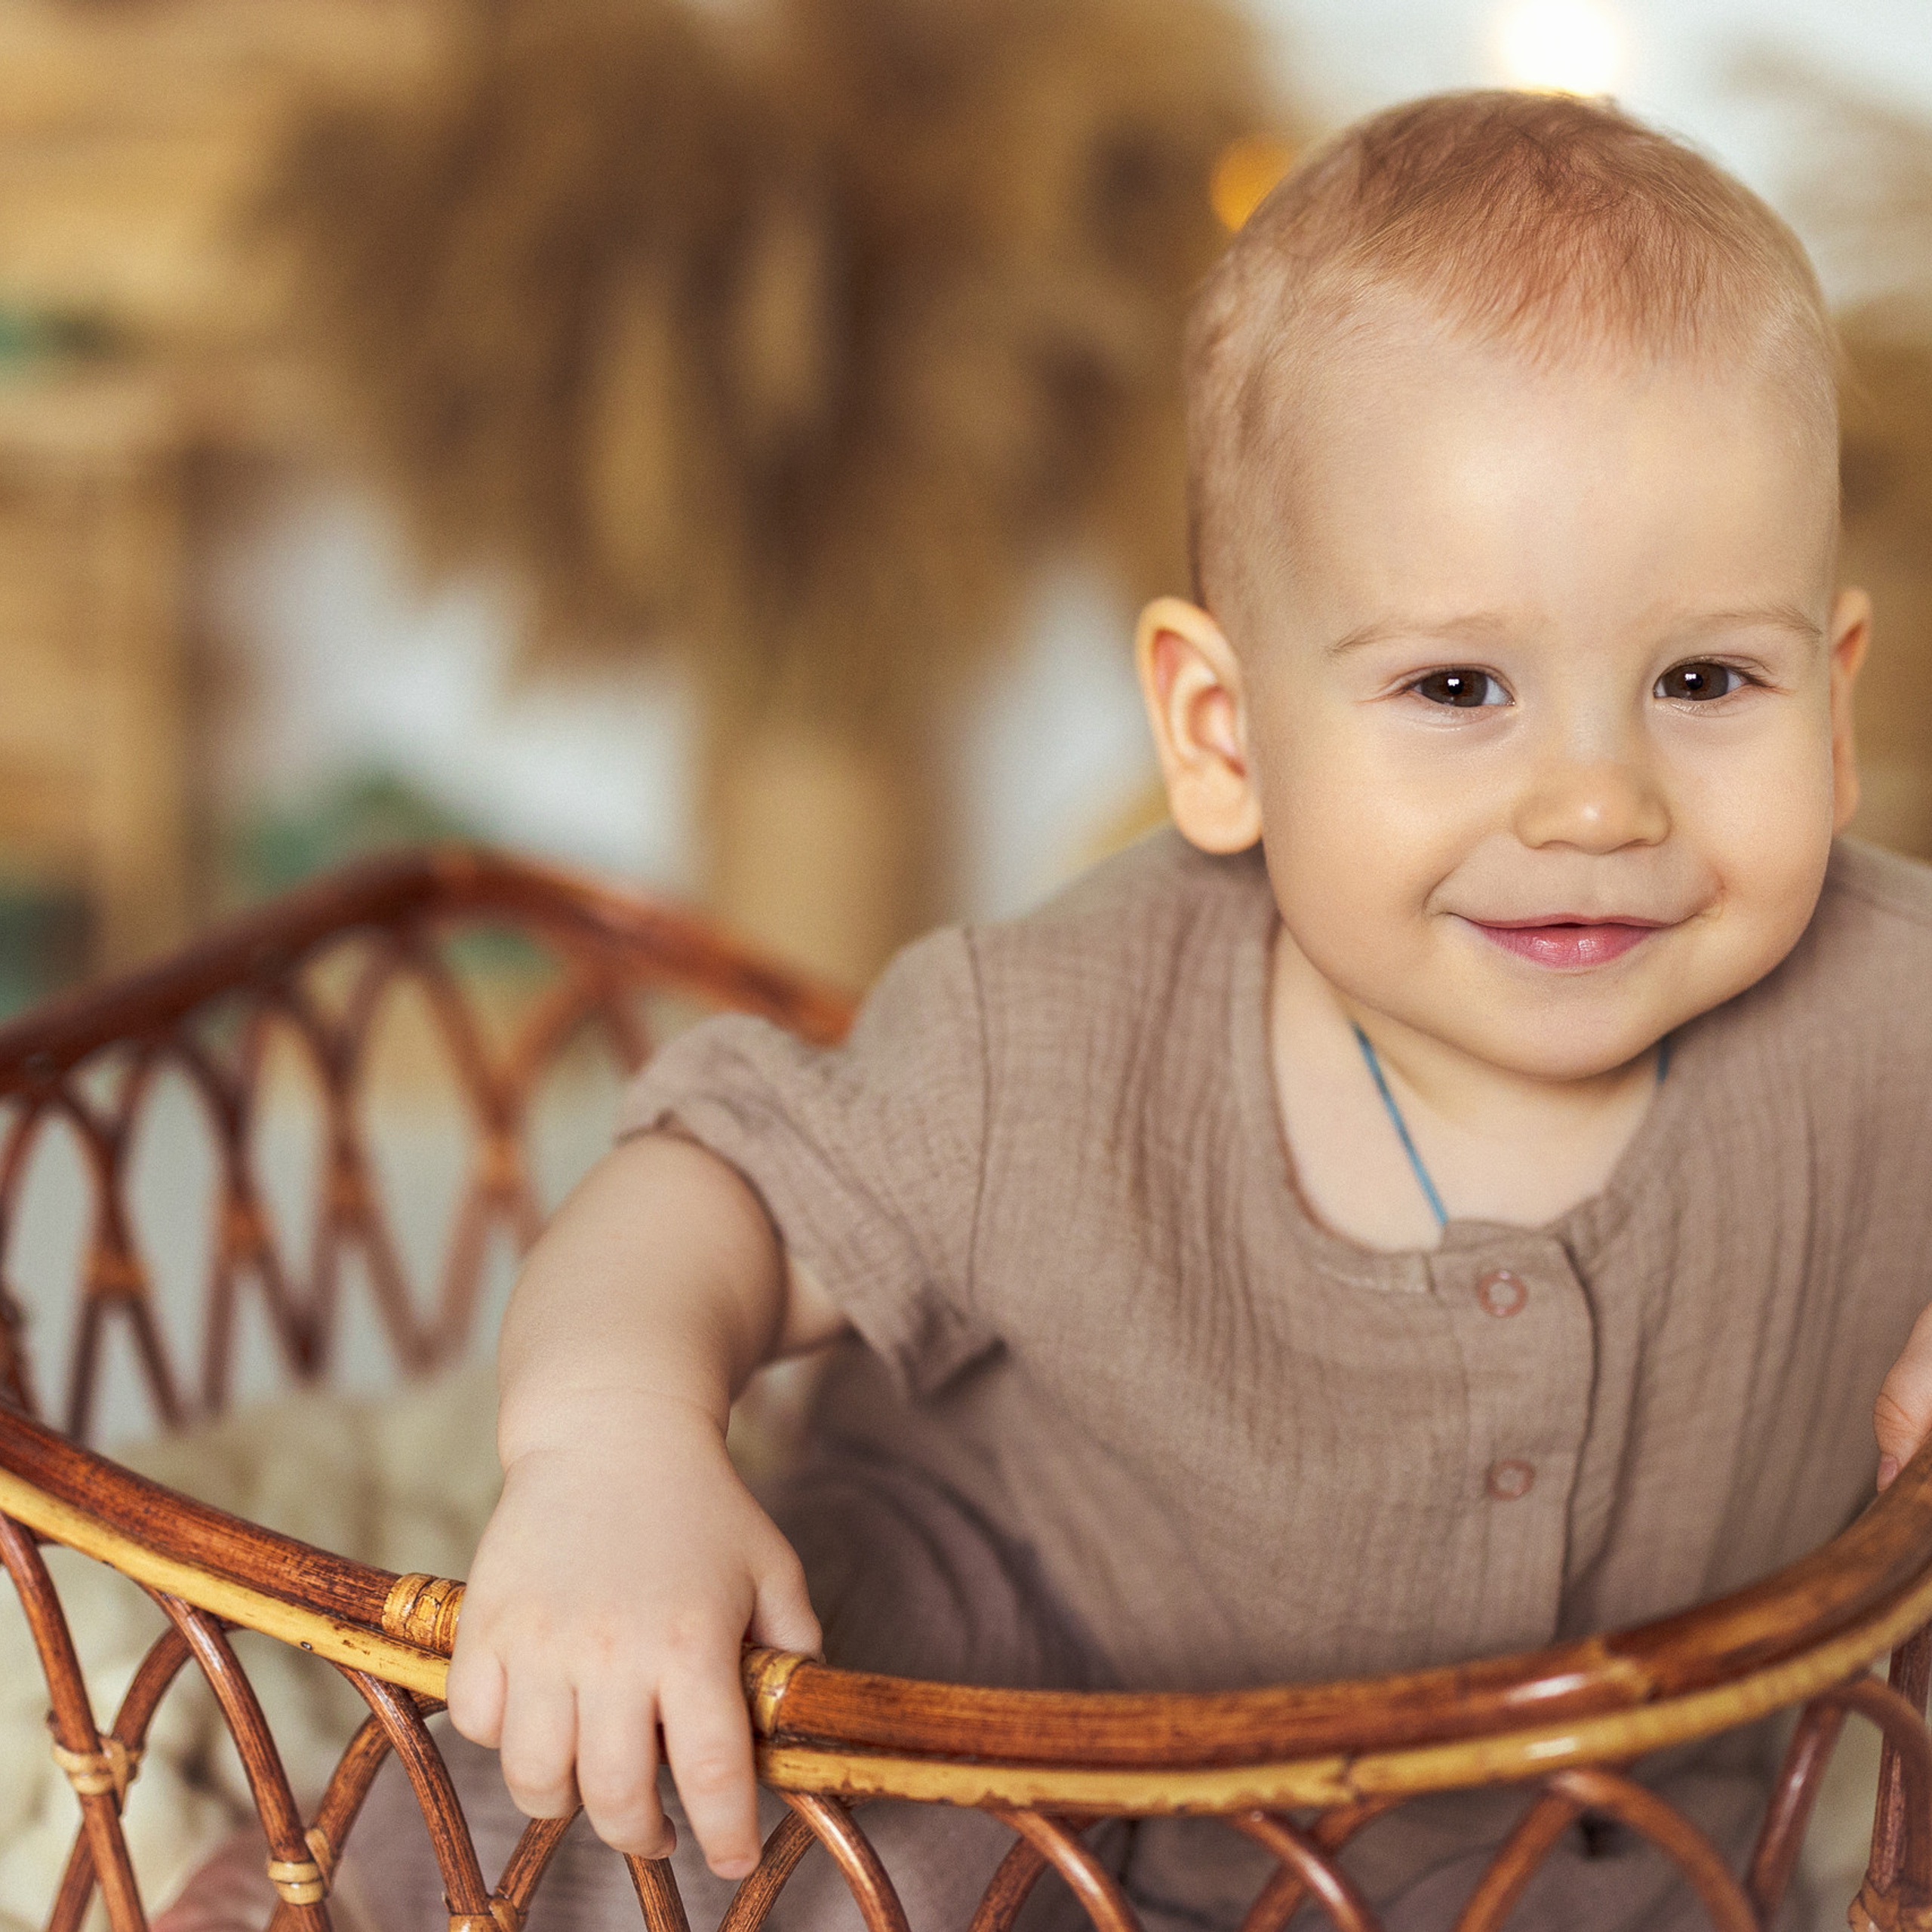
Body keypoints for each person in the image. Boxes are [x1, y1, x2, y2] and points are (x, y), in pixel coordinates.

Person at [375, 91, 1932, 1929]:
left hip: (1577, 1798)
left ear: (1829, 710)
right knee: (697, 1817)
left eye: (1698, 677)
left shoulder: (1879, 993)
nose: (1594, 801)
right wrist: (611, 1437)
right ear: (1220, 733)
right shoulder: (1057, 1038)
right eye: (1455, 685)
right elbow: (703, 1175)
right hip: (998, 1670)